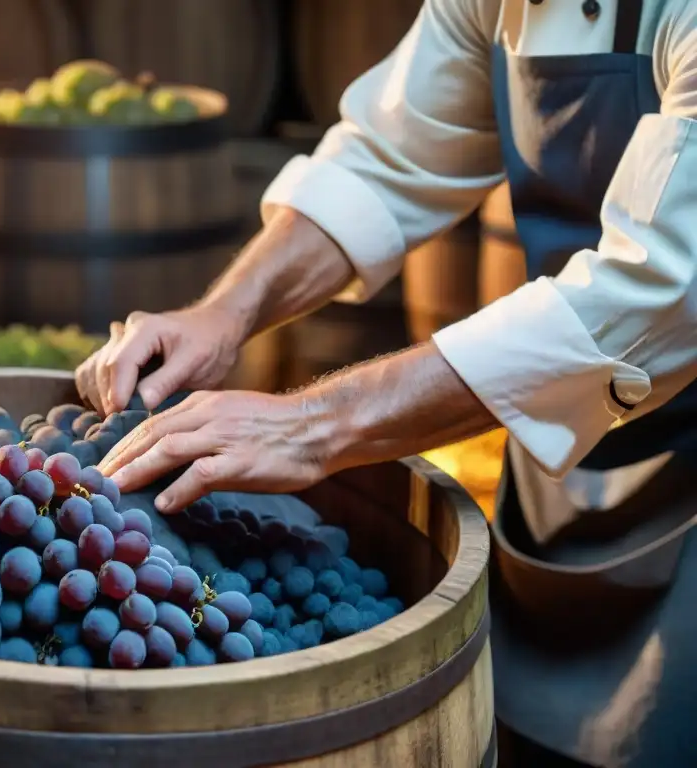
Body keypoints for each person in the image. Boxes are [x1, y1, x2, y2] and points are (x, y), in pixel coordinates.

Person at [75, 0, 697, 766]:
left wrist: (310, 424)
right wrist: (225, 311)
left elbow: (664, 290)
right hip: (566, 466)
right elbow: (385, 162)